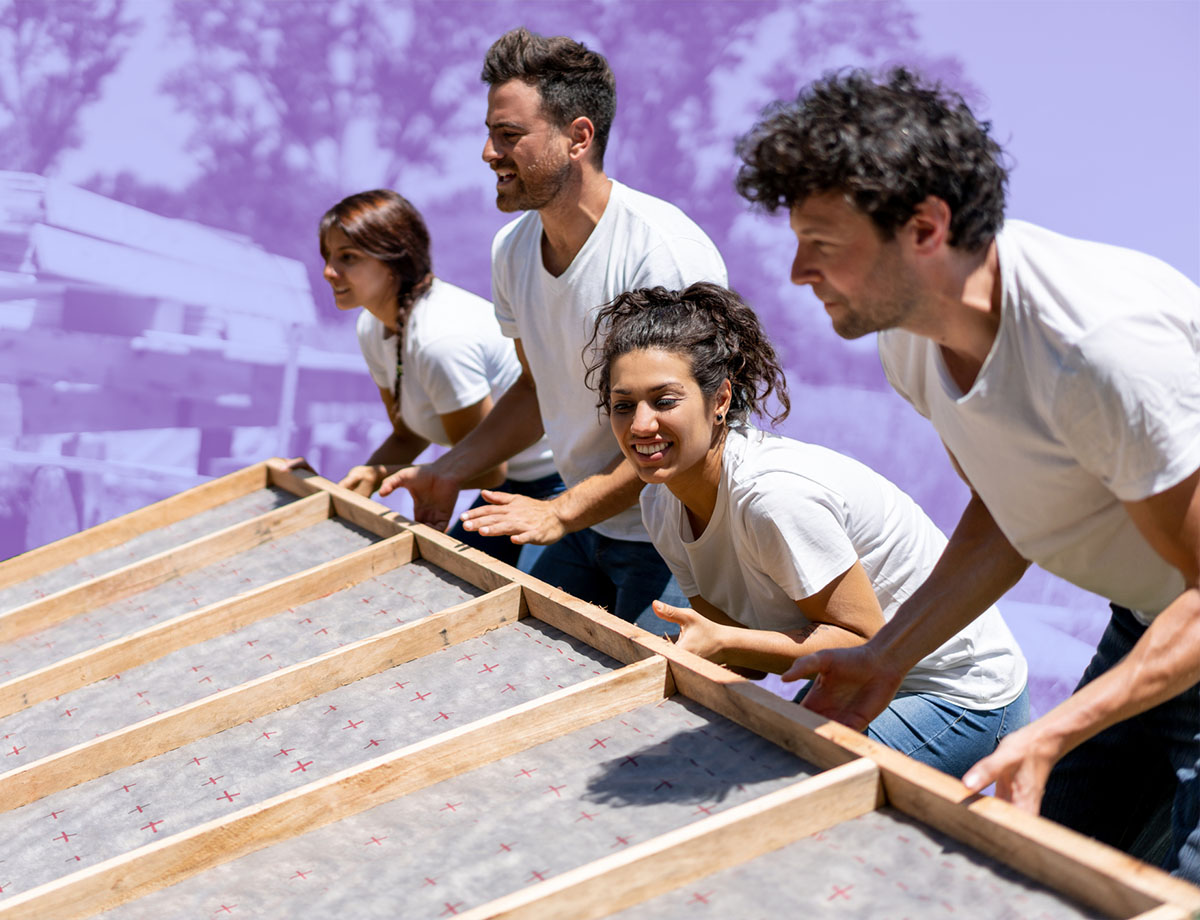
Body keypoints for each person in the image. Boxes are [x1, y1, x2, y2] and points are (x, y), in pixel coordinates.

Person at [736, 67, 1200, 878]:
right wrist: (886, 656)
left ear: (925, 228)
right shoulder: (910, 336)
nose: (797, 273)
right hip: (1154, 625)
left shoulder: (1099, 351)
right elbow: (1006, 508)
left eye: (825, 245)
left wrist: (1054, 728)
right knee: (1040, 869)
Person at [586, 282, 1029, 776]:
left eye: (664, 400)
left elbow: (862, 642)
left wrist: (722, 646)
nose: (640, 425)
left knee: (778, 789)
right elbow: (739, 650)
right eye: (623, 405)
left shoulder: (772, 497)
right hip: (853, 676)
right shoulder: (660, 504)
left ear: (720, 400)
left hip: (956, 690)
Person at [379, 28, 727, 631]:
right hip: (581, 521)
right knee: (509, 661)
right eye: (490, 134)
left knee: (641, 718)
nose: (489, 154)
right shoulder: (511, 250)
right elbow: (537, 388)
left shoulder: (662, 256)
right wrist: (448, 470)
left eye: (508, 136)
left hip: (678, 536)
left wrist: (563, 510)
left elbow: (683, 433)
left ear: (578, 138)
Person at [316, 189, 561, 568]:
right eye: (328, 257)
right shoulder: (371, 325)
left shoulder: (439, 340)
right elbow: (407, 434)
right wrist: (354, 486)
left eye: (347, 257)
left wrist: (385, 476)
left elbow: (488, 468)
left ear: (394, 259)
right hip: (506, 486)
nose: (329, 272)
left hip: (554, 485)